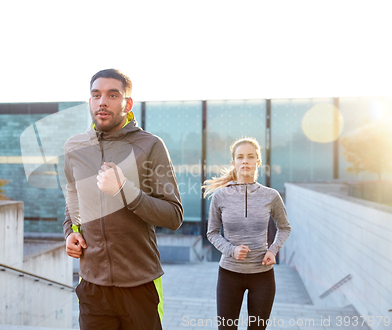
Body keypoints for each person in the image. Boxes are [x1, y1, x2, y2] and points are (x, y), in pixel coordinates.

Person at [63, 69, 183, 330]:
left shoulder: (150, 145)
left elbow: (174, 216)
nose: (102, 101)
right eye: (96, 95)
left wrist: (125, 190)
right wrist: (70, 232)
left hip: (139, 285)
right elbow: (73, 196)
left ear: (127, 104)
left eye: (112, 95)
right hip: (92, 286)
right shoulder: (74, 147)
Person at [203, 137, 291, 330]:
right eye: (240, 157)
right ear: (233, 162)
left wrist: (273, 250)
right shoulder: (220, 196)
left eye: (250, 157)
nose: (245, 161)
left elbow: (285, 227)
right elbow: (212, 232)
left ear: (258, 162)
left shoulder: (271, 195)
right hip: (229, 274)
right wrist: (231, 250)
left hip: (262, 276)